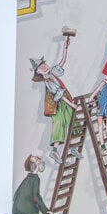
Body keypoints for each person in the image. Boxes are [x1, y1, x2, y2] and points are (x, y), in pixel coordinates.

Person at [30, 32, 78, 164]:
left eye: (44, 64)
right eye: (40, 67)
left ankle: (73, 148)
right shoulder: (48, 81)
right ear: (38, 72)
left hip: (65, 101)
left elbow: (62, 62)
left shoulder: (52, 73)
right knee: (60, 125)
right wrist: (71, 104)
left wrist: (65, 48)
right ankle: (55, 151)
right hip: (59, 105)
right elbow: (59, 94)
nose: (44, 66)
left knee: (73, 122)